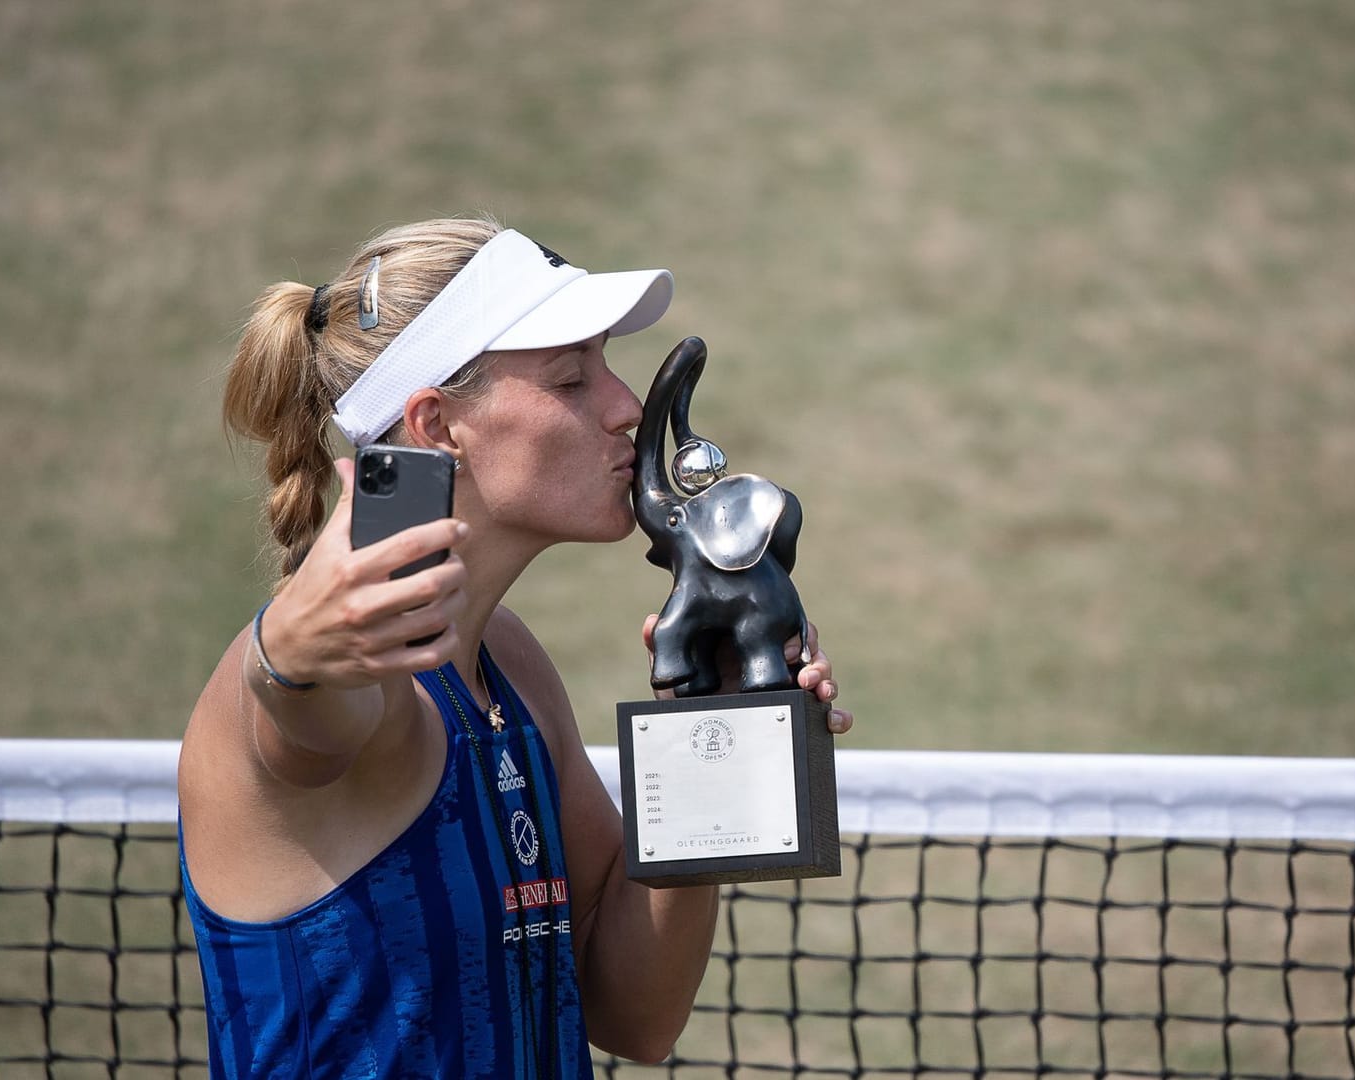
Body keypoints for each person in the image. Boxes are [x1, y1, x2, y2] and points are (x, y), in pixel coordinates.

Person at [177, 217, 852, 1077]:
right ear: (438, 424)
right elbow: (302, 714)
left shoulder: (512, 665)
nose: (628, 410)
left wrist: (705, 735)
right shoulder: (352, 681)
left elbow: (635, 1017)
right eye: (572, 379)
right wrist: (287, 659)